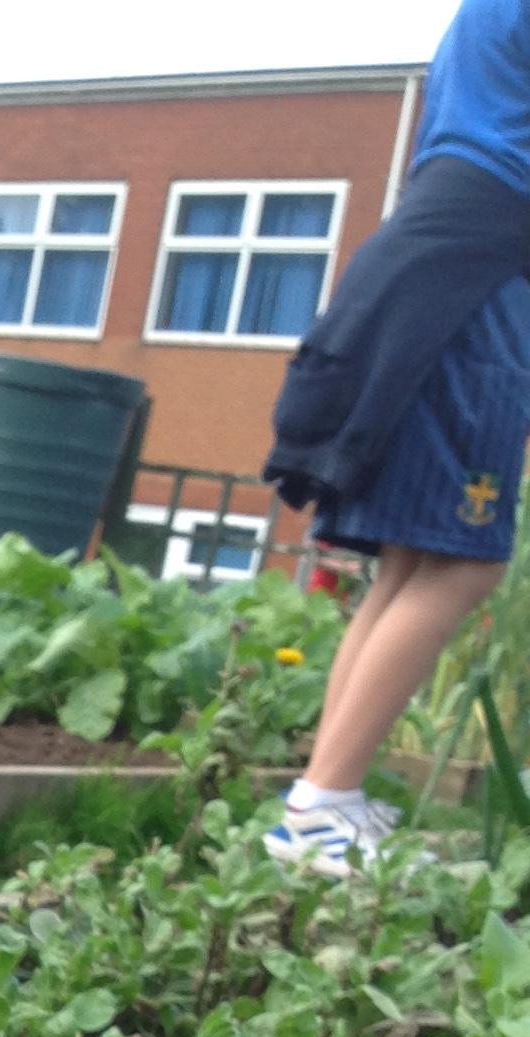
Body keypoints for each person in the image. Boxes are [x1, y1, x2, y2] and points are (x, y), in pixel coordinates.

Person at [262, 0, 530, 875]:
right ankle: (319, 809)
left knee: (414, 562)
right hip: (471, 288)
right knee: (465, 564)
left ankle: (322, 798)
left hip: (432, 272)